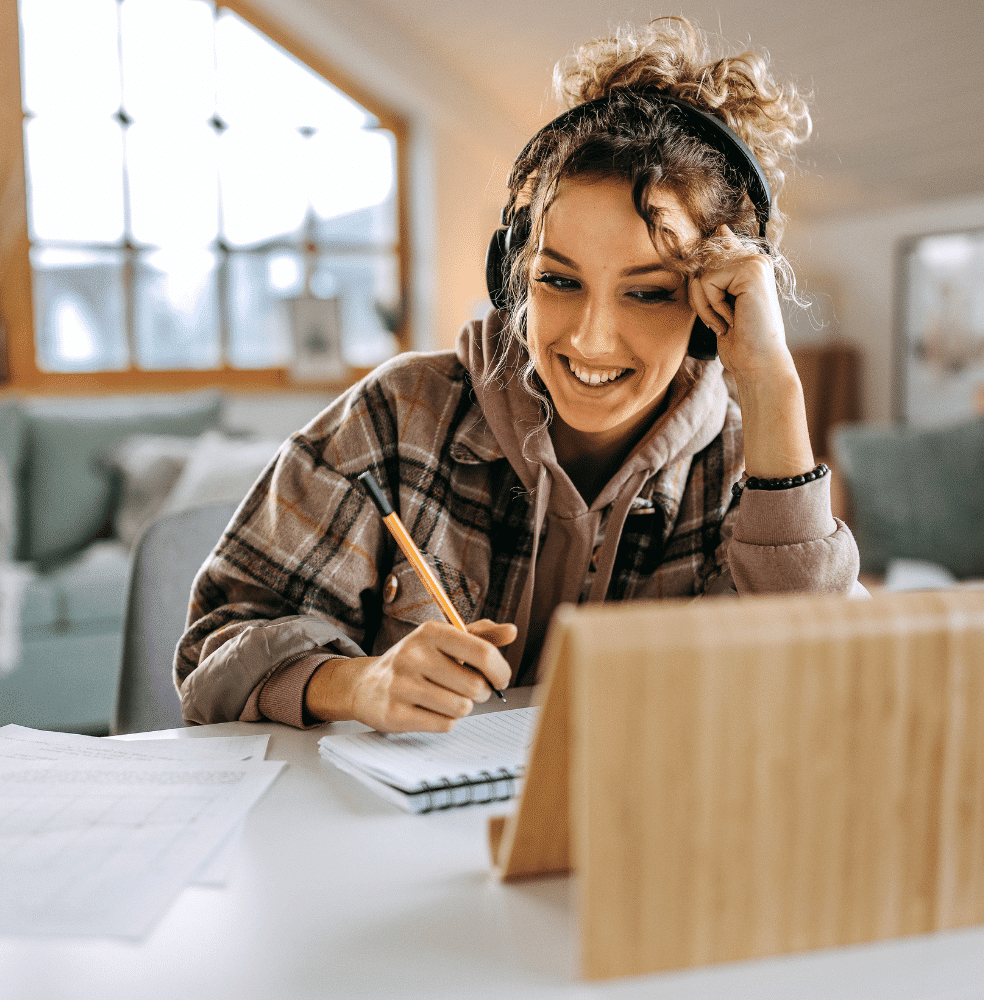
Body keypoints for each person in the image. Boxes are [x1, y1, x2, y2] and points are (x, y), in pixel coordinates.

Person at [175, 17, 860, 734]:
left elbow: (811, 685)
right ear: (512, 279)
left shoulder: (745, 462)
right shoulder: (397, 416)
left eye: (649, 291)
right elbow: (212, 657)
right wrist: (360, 684)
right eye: (559, 282)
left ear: (705, 304)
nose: (592, 339)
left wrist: (776, 389)